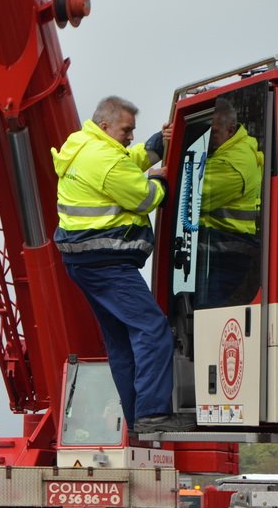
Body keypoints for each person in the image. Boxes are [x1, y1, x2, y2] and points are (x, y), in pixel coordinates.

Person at [51, 96, 193, 434]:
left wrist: (158, 145)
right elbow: (145, 196)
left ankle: (137, 417)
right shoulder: (104, 159)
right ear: (106, 126)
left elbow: (128, 159)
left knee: (121, 340)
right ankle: (152, 413)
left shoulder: (85, 144)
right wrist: (161, 180)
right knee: (152, 331)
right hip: (108, 263)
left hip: (86, 262)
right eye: (126, 129)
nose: (131, 135)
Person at [195, 98, 263, 308]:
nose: (208, 139)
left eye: (213, 133)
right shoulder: (226, 149)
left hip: (227, 251)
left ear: (231, 130)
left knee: (209, 314)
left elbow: (194, 195)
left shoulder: (234, 162)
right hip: (218, 246)